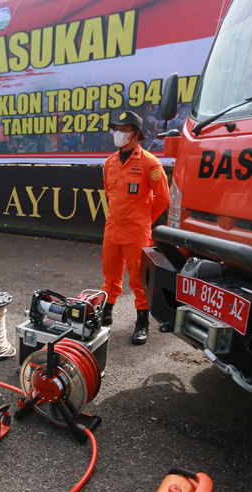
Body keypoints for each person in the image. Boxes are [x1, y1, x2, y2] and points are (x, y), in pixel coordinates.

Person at [101, 110, 169, 345]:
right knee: (110, 274)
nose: (118, 133)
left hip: (137, 232)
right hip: (112, 229)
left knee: (139, 281)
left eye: (123, 129)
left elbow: (163, 198)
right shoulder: (109, 163)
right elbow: (110, 194)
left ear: (136, 134)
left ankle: (142, 322)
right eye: (116, 129)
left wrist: (143, 220)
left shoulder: (150, 162)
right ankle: (106, 312)